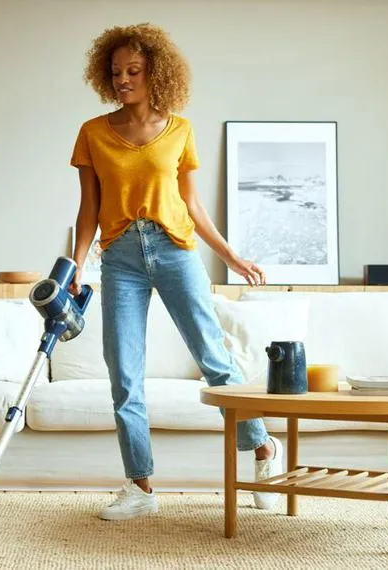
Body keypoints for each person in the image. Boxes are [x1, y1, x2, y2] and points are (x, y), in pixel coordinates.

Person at [68, 23, 286, 521]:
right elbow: (88, 208)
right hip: (119, 256)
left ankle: (263, 450)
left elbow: (192, 204)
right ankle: (140, 486)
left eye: (134, 71)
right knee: (123, 372)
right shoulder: (93, 133)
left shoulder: (180, 130)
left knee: (215, 358)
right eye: (116, 72)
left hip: (174, 249)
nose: (123, 80)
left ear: (155, 73)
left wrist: (229, 256)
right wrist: (76, 267)